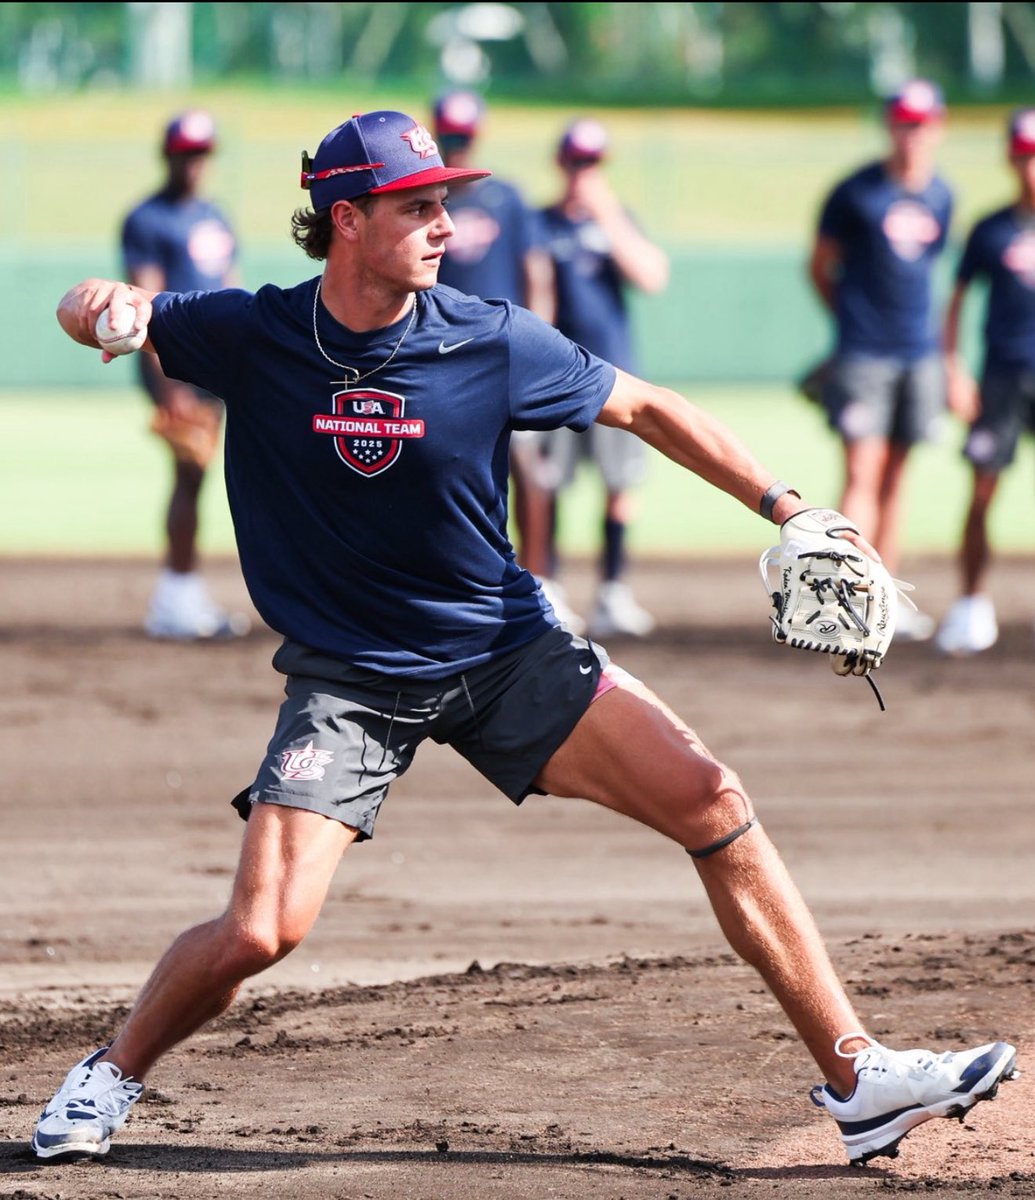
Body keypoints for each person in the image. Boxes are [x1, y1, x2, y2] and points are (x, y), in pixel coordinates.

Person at [34, 108, 1016, 1169]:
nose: (446, 223)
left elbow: (642, 407)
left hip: (503, 652)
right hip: (350, 680)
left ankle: (857, 1075)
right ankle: (113, 1070)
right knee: (262, 929)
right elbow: (97, 314)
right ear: (348, 219)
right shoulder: (253, 331)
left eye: (446, 201)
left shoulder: (489, 336)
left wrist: (786, 507)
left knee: (715, 802)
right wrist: (96, 308)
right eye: (419, 205)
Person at [807, 79, 955, 643]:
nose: (912, 134)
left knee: (897, 475)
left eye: (921, 123)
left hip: (918, 353)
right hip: (864, 353)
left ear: (937, 127)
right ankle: (845, 602)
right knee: (861, 473)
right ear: (889, 126)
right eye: (903, 122)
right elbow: (820, 266)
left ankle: (885, 599)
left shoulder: (942, 195)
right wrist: (847, 327)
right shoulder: (855, 194)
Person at [429, 89, 572, 629]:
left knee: (530, 468)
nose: (458, 145)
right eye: (450, 136)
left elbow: (536, 272)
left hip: (507, 353)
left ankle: (542, 583)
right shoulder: (430, 201)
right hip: (442, 357)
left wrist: (541, 339)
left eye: (464, 136)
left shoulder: (506, 197)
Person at [532, 117, 671, 640]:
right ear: (559, 163)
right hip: (552, 379)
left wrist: (607, 213)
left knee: (620, 486)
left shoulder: (618, 221)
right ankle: (547, 585)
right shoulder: (541, 222)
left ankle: (613, 589)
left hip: (615, 376)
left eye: (590, 163)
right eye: (574, 162)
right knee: (545, 488)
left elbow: (653, 276)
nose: (580, 173)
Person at [121, 109, 249, 641]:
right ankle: (175, 594)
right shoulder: (148, 219)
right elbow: (143, 299)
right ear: (168, 155)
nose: (194, 164)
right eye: (185, 154)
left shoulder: (215, 216)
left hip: (216, 363)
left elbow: (233, 290)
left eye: (201, 153)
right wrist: (167, 384)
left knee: (203, 477)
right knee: (189, 475)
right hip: (175, 362)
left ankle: (182, 592)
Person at [935, 108, 1035, 656]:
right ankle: (972, 605)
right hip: (1001, 377)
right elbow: (954, 301)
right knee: (982, 491)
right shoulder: (992, 228)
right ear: (1009, 157)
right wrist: (954, 369)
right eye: (1023, 155)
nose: (1030, 168)